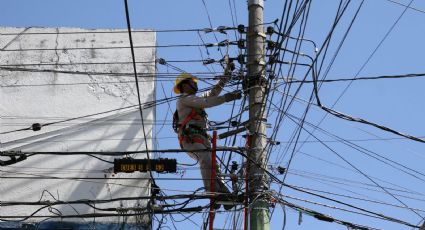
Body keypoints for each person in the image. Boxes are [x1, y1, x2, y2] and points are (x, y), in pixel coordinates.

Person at [173, 67, 241, 208]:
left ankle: (225, 195)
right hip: (190, 138)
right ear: (185, 85)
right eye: (193, 82)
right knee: (205, 160)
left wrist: (226, 77)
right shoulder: (184, 99)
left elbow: (212, 94)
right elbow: (207, 103)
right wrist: (226, 98)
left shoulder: (194, 99)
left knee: (214, 166)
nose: (196, 85)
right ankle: (212, 194)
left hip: (201, 138)